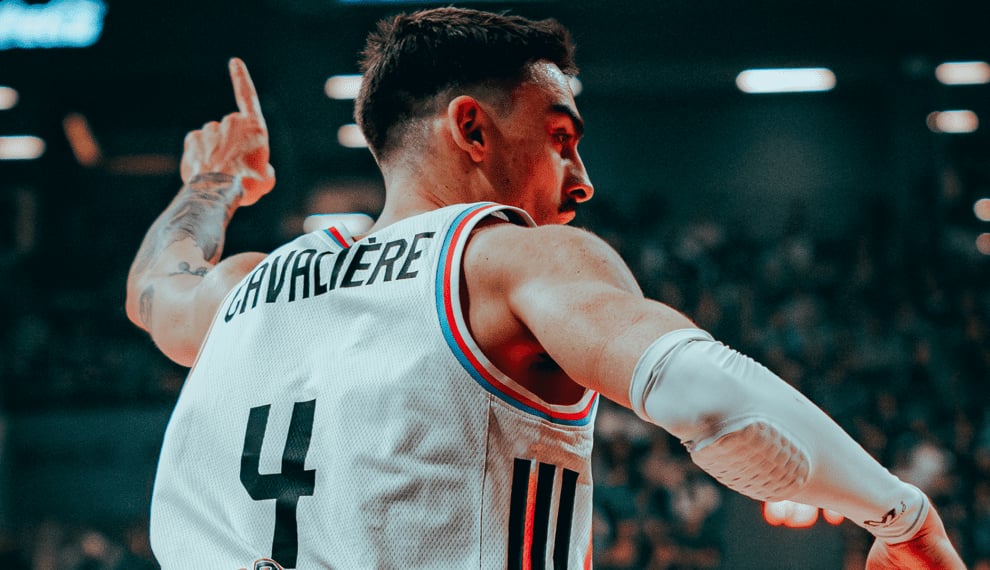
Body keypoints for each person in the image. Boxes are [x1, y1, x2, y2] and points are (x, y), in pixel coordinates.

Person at [125, 7, 966, 569]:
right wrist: (900, 516)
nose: (583, 179)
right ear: (471, 127)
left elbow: (154, 286)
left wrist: (213, 187)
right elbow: (712, 401)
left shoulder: (243, 292)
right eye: (562, 138)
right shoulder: (505, 261)